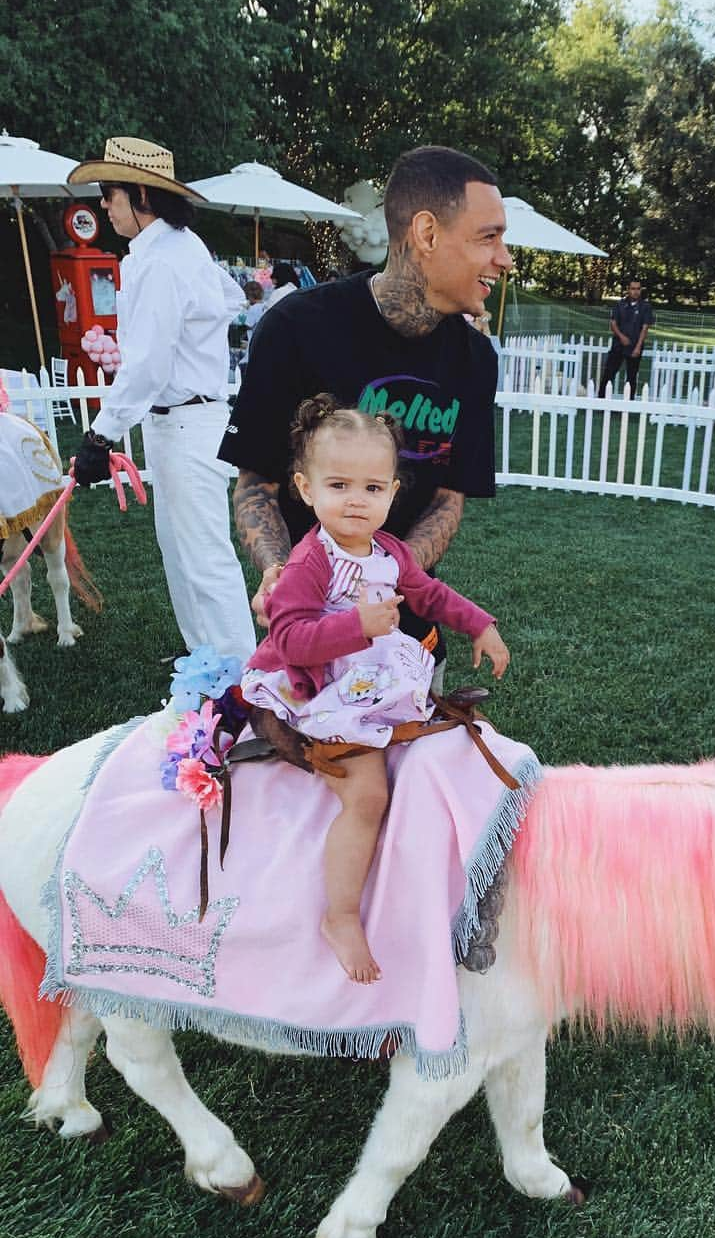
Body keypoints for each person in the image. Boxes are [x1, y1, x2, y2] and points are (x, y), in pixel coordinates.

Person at [220, 145, 513, 691]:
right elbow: (256, 483)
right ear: (426, 233)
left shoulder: (476, 361)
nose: (504, 258)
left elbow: (449, 499)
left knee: (409, 769)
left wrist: (382, 574)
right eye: (488, 237)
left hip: (411, 642)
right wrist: (284, 575)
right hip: (305, 643)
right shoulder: (296, 328)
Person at [242, 396, 509, 982]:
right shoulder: (310, 562)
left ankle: (422, 889)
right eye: (338, 485)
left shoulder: (388, 551)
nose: (356, 501)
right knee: (367, 794)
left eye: (372, 487)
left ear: (392, 493)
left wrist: (480, 624)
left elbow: (429, 595)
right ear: (306, 489)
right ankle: (339, 915)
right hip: (318, 688)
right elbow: (288, 639)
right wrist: (354, 627)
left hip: (369, 677)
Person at [67, 136, 256, 661]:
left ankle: (242, 685)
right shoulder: (175, 248)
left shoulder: (163, 259)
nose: (103, 204)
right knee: (180, 552)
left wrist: (100, 436)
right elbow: (169, 344)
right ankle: (207, 667)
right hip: (179, 421)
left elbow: (150, 364)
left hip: (189, 424)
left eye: (109, 192)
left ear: (141, 196)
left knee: (204, 558)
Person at [597, 279, 654, 399]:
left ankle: (628, 404)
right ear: (628, 290)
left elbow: (645, 328)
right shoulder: (620, 305)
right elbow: (613, 323)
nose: (635, 291)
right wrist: (621, 337)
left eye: (638, 289)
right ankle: (601, 402)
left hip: (634, 347)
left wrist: (638, 347)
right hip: (618, 345)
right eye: (633, 289)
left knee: (631, 377)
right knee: (609, 373)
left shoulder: (645, 307)